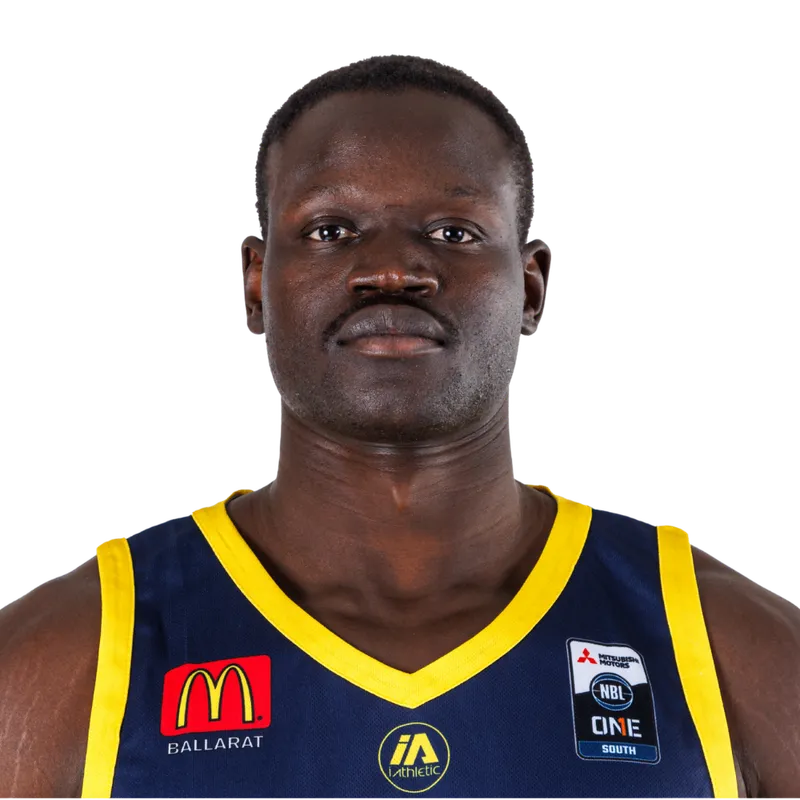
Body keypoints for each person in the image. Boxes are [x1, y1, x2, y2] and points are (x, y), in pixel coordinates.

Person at [1, 53, 797, 800]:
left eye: (453, 232)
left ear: (532, 289)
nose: (391, 270)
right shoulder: (70, 652)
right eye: (331, 230)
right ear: (254, 284)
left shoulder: (728, 644)